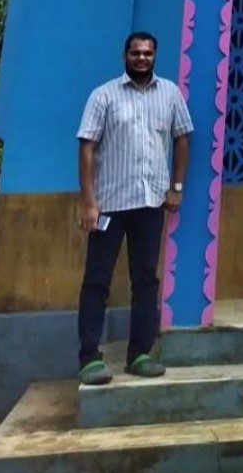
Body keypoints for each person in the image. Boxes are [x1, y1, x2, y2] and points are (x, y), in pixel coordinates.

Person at [75, 31, 193, 385]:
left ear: (155, 56)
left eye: (148, 53)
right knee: (97, 281)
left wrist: (176, 188)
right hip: (109, 205)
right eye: (136, 53)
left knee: (145, 280)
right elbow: (87, 148)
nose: (142, 58)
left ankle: (140, 353)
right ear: (124, 55)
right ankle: (89, 358)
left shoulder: (170, 94)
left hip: (150, 204)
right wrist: (88, 201)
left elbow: (183, 138)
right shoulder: (104, 96)